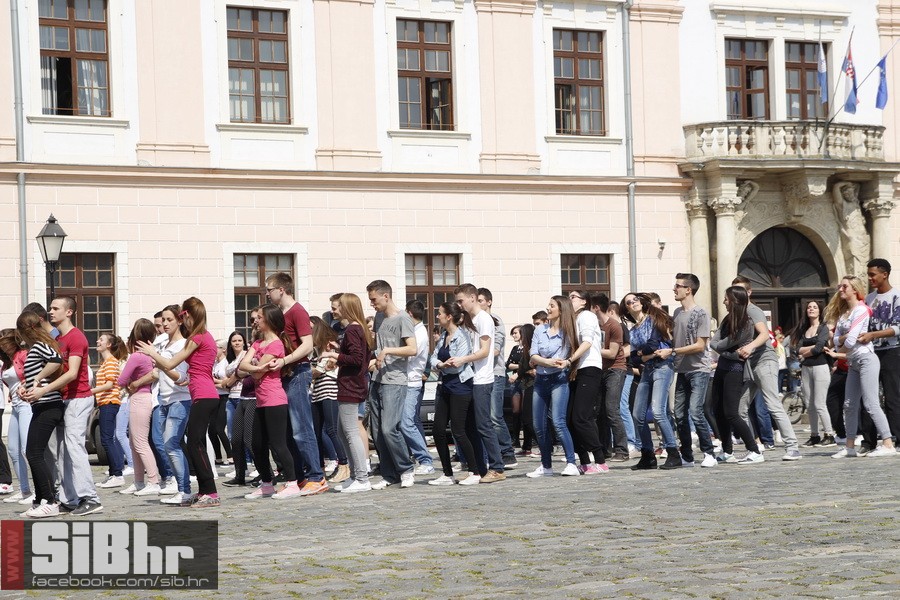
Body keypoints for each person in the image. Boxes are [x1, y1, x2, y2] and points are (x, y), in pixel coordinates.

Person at [21, 296, 103, 516]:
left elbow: (73, 373)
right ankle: (70, 499)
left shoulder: (76, 337)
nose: (51, 311)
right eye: (50, 308)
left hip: (79, 397)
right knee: (62, 452)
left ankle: (91, 498)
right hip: (62, 399)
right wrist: (29, 386)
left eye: (56, 308)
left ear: (69, 312)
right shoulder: (57, 338)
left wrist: (43, 390)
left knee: (74, 447)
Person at [137, 297, 222, 508]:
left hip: (204, 395)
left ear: (190, 315)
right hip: (202, 393)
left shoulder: (197, 337)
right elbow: (197, 367)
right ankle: (204, 491)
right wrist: (188, 377)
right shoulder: (204, 336)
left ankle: (210, 492)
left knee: (195, 443)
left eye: (183, 315)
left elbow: (170, 363)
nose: (182, 320)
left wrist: (152, 353)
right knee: (194, 443)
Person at [264, 272, 328, 496]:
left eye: (270, 290)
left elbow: (307, 345)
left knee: (302, 427)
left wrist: (285, 360)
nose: (267, 294)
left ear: (281, 290)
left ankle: (317, 476)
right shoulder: (281, 313)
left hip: (298, 372)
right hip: (286, 374)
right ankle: (300, 477)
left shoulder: (297, 311)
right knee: (290, 430)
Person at [731, 277, 802, 461]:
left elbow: (763, 335)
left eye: (740, 290)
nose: (736, 294)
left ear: (749, 293)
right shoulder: (737, 314)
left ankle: (793, 447)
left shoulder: (753, 310)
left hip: (765, 362)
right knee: (740, 409)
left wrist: (749, 347)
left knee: (772, 403)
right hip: (750, 365)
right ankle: (753, 449)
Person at [828, 276, 898, 458]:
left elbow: (848, 341)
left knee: (871, 403)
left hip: (867, 359)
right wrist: (843, 340)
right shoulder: (844, 314)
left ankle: (888, 443)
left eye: (844, 286)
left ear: (855, 289)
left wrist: (840, 344)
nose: (840, 289)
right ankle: (850, 446)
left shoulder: (860, 310)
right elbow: (836, 340)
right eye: (840, 286)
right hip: (853, 362)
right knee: (849, 405)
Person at [240, 304, 302, 499]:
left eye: (260, 317)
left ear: (269, 320)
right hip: (260, 401)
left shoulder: (276, 344)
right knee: (256, 444)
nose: (256, 321)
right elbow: (242, 367)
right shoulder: (258, 343)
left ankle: (292, 483)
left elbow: (256, 375)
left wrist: (254, 368)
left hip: (274, 400)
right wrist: (256, 367)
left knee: (278, 443)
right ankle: (267, 483)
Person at [655, 274, 717, 469]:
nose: (674, 289)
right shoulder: (676, 313)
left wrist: (672, 351)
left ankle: (709, 453)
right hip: (681, 369)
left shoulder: (701, 313)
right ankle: (687, 456)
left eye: (678, 286)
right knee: (679, 414)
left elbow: (700, 345)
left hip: (699, 369)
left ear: (688, 290)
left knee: (695, 411)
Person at [319, 293, 375, 493]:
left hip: (351, 385)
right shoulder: (358, 328)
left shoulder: (352, 329)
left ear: (347, 308)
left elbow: (356, 359)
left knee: (350, 432)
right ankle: (354, 476)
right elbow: (356, 356)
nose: (335, 310)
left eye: (339, 306)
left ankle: (361, 477)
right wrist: (339, 351)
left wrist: (333, 354)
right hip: (351, 384)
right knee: (343, 432)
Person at [451, 283, 506, 483]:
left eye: (461, 301)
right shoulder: (470, 320)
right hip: (471, 378)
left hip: (483, 378)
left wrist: (463, 359)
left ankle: (497, 467)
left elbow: (484, 351)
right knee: (472, 426)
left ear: (472, 298)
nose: (459, 305)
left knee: (484, 425)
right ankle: (479, 468)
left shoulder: (483, 319)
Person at [366, 280, 418, 489]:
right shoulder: (379, 317)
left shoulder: (403, 318)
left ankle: (406, 469)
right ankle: (389, 474)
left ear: (385, 296)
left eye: (374, 299)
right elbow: (378, 345)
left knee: (389, 429)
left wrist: (386, 352)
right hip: (377, 379)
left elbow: (412, 349)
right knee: (377, 432)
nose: (372, 304)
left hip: (395, 380)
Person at [16, 311, 65, 518]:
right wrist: (25, 387)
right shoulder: (35, 348)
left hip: (49, 405)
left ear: (26, 331)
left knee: (34, 453)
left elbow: (57, 360)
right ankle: (40, 500)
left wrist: (36, 379)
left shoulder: (39, 346)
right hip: (40, 406)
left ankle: (51, 501)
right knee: (33, 453)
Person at [426, 302, 481, 486]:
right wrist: (441, 364)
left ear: (449, 316)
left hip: (461, 386)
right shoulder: (443, 336)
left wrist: (443, 365)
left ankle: (474, 471)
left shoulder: (462, 336)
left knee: (458, 430)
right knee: (437, 430)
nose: (437, 316)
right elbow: (433, 358)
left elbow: (457, 365)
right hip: (445, 385)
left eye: (440, 313)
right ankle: (447, 474)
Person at [709, 286, 764, 465]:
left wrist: (725, 352)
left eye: (726, 299)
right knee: (717, 410)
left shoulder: (746, 323)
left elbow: (722, 344)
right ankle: (727, 451)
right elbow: (714, 343)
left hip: (735, 370)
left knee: (731, 413)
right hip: (722, 367)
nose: (724, 302)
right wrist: (730, 353)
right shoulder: (727, 319)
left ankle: (754, 450)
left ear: (734, 301)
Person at [622, 293, 678, 470]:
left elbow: (653, 344)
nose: (633, 303)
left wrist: (643, 353)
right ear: (627, 309)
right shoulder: (632, 331)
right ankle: (648, 455)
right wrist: (644, 355)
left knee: (658, 411)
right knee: (637, 415)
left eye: (635, 300)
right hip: (647, 370)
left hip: (663, 366)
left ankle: (673, 452)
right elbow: (633, 359)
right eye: (629, 302)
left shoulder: (653, 320)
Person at [526, 295, 580, 478]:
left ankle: (571, 463)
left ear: (561, 310)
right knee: (538, 425)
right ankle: (546, 466)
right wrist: (546, 361)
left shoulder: (568, 332)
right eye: (548, 305)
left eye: (552, 306)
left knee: (558, 421)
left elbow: (561, 359)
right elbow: (533, 355)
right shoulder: (539, 330)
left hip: (559, 379)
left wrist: (542, 361)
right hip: (541, 380)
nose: (548, 308)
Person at [565, 290, 608, 474]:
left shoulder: (587, 316)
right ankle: (584, 461)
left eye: (573, 297)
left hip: (589, 368)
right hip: (575, 370)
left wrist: (570, 359)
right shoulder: (572, 319)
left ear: (584, 301)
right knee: (569, 419)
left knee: (581, 416)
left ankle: (600, 460)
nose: (570, 299)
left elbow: (587, 342)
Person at [118, 319, 162, 496]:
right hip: (142, 397)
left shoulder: (137, 356)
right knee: (134, 442)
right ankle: (138, 482)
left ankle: (153, 480)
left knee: (140, 442)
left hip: (139, 399)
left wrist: (129, 383)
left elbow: (121, 380)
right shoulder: (150, 355)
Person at [859, 259, 900, 444]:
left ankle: (896, 438)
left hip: (892, 352)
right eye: (868, 275)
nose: (870, 278)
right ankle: (869, 441)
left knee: (893, 397)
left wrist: (873, 335)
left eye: (872, 274)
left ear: (885, 274)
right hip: (871, 353)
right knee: (868, 398)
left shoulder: (897, 296)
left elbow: (898, 327)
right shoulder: (868, 299)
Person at [478, 288, 517, 467]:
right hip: (480, 375)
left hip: (496, 373)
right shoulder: (475, 321)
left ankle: (507, 452)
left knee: (495, 416)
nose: (478, 304)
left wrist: (473, 355)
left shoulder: (495, 321)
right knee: (483, 417)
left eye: (481, 300)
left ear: (489, 302)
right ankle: (488, 455)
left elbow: (496, 350)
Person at [309, 316, 349, 483]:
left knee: (332, 429)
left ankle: (344, 464)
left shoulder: (329, 345)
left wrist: (309, 370)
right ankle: (319, 469)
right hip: (316, 391)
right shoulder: (314, 349)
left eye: (311, 328)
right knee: (316, 432)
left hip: (329, 389)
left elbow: (319, 370)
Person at [590, 294, 629, 462]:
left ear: (596, 308)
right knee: (599, 412)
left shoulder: (614, 326)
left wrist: (590, 348)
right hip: (600, 369)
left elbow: (613, 353)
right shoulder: (595, 326)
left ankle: (622, 450)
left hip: (615, 370)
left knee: (612, 409)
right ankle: (604, 449)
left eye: (590, 307)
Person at [792, 301, 835, 448]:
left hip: (820, 367)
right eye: (809, 307)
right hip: (806, 368)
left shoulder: (823, 328)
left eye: (814, 307)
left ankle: (829, 435)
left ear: (819, 311)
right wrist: (812, 349)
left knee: (819, 403)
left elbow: (819, 348)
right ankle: (814, 435)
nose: (811, 309)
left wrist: (804, 354)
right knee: (809, 404)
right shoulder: (804, 329)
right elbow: (797, 349)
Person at [401, 300, 435, 476]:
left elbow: (411, 355)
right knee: (404, 423)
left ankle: (425, 460)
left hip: (412, 382)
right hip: (405, 381)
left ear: (409, 313)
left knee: (407, 423)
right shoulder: (415, 331)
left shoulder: (419, 333)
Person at [93, 333, 129, 488]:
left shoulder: (111, 362)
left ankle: (117, 474)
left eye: (101, 340)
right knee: (107, 439)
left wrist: (90, 391)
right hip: (105, 402)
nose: (97, 341)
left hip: (109, 402)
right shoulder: (106, 362)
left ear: (108, 345)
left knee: (107, 439)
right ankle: (114, 473)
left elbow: (109, 384)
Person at [0, 329, 32, 503]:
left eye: (4, 343)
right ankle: (24, 489)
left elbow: (34, 373)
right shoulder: (7, 362)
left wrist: (25, 384)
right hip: (15, 406)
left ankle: (41, 491)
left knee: (27, 449)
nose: (2, 347)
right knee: (13, 449)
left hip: (27, 404)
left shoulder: (23, 355)